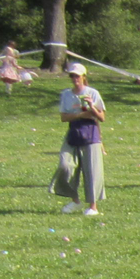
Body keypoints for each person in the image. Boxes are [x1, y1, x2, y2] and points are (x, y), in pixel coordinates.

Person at [54, 63, 107, 216]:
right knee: (65, 165)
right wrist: (79, 115)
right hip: (74, 132)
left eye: (77, 75)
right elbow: (63, 117)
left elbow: (102, 117)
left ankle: (93, 207)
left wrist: (92, 106)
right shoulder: (66, 95)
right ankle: (75, 200)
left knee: (91, 171)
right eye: (72, 75)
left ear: (84, 76)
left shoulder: (93, 93)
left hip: (91, 134)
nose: (74, 78)